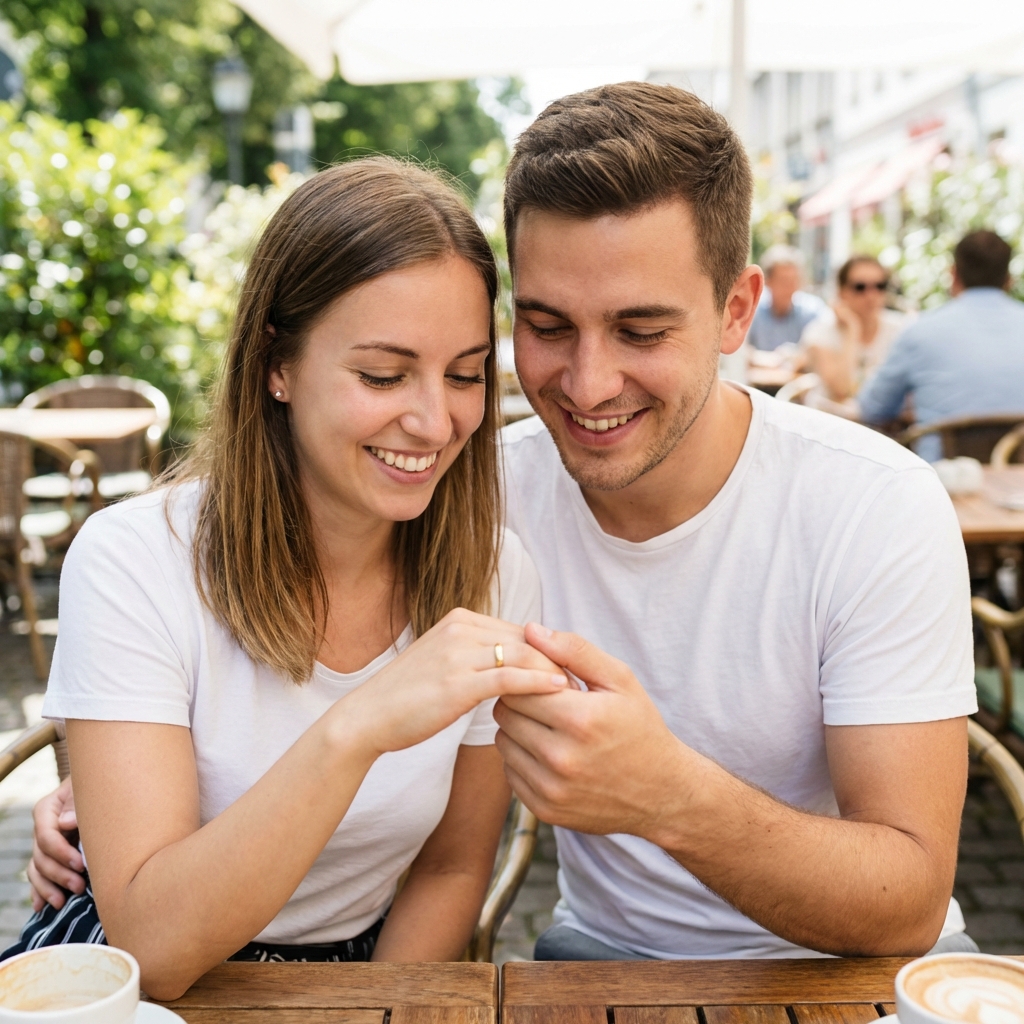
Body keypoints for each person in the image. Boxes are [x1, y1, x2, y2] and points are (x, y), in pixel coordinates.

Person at [30, 84, 977, 963]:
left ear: (737, 312)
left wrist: (670, 796)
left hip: (864, 969)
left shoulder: (873, 505)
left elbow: (907, 903)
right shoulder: (469, 496)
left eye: (641, 331)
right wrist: (123, 795)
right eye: (548, 326)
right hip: (605, 963)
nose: (588, 385)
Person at [2, 158, 569, 996]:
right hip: (133, 976)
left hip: (365, 975)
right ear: (277, 364)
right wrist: (360, 725)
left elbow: (451, 869)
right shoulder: (134, 560)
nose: (434, 420)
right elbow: (154, 946)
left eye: (464, 373)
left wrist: (371, 1010)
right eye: (382, 375)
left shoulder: (492, 573)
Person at [858, 230, 1024, 461]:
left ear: (953, 274)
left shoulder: (920, 332)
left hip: (943, 477)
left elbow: (872, 408)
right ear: (1008, 279)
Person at [801, 255, 910, 404]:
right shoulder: (819, 333)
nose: (871, 295)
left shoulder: (901, 328)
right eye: (860, 287)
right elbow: (841, 390)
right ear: (841, 292)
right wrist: (852, 329)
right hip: (831, 416)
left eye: (880, 286)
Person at [746, 245, 824, 352]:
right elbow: (741, 349)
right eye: (783, 280)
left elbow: (821, 350)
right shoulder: (752, 310)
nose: (790, 287)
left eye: (794, 280)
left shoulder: (812, 311)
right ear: (767, 281)